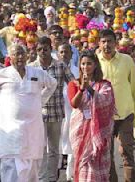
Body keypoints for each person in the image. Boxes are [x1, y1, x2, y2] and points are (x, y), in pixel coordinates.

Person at [0, 44, 57, 182]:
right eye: (16, 54)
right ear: (10, 57)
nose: (20, 57)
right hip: (11, 133)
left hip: (32, 131)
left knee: (32, 171)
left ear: (27, 55)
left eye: (22, 53)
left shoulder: (36, 73)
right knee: (11, 171)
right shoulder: (2, 74)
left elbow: (53, 84)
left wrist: (41, 101)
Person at [96, 30, 135, 182]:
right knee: (107, 155)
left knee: (126, 152)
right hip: (104, 116)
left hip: (125, 113)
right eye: (103, 41)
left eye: (109, 41)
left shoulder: (126, 60)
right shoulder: (95, 61)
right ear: (99, 43)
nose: (107, 45)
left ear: (115, 43)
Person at [28, 36, 75, 182]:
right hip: (37, 115)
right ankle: (42, 178)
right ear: (36, 51)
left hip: (56, 113)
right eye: (39, 50)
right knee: (40, 149)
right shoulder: (31, 68)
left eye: (45, 49)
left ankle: (51, 177)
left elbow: (73, 84)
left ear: (51, 49)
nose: (43, 52)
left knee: (54, 149)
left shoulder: (60, 66)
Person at [67, 50, 116, 182]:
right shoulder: (74, 84)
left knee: (97, 167)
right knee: (83, 165)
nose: (85, 67)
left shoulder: (104, 85)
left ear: (95, 65)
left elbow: (106, 102)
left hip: (99, 133)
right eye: (83, 64)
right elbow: (74, 104)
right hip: (80, 131)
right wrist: (82, 88)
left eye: (89, 63)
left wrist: (90, 88)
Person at [57, 43, 79, 181]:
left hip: (73, 112)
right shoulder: (52, 70)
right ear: (58, 54)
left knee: (72, 143)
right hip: (57, 112)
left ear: (71, 54)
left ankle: (70, 175)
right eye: (61, 52)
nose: (64, 54)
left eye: (66, 52)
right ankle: (55, 172)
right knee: (56, 144)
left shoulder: (77, 71)